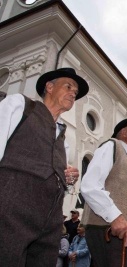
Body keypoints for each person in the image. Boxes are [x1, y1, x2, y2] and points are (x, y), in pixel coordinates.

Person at [0, 67, 88, 266]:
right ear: (49, 87)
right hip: (10, 208)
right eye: (68, 86)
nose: (73, 93)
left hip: (49, 222)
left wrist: (65, 178)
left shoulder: (64, 138)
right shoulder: (20, 105)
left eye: (75, 91)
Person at [80, 118, 127, 267]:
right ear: (124, 133)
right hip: (108, 228)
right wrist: (115, 217)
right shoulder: (112, 146)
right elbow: (90, 185)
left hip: (124, 232)